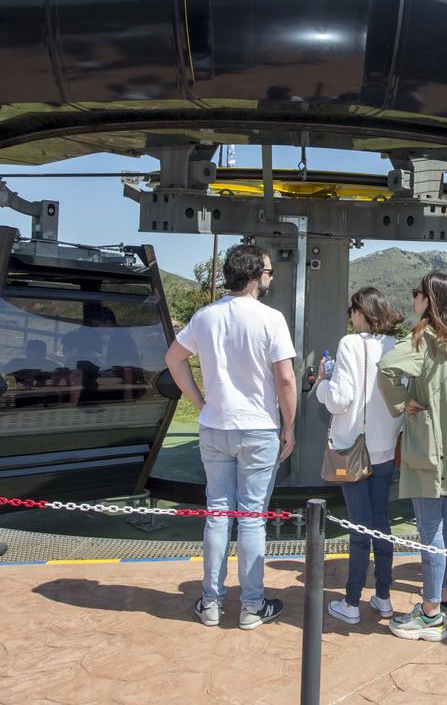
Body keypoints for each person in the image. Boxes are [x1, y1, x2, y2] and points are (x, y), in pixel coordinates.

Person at [165, 244, 296, 631]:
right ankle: (252, 606)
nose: (269, 279)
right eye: (268, 272)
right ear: (256, 277)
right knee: (252, 518)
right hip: (258, 428)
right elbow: (285, 378)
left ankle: (211, 601)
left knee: (217, 515)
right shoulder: (271, 319)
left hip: (215, 425)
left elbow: (173, 359)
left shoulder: (205, 317)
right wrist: (289, 426)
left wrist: (199, 400)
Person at [378, 272, 447, 642]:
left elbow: (386, 367)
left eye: (417, 293)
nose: (413, 299)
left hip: (429, 446)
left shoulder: (423, 338)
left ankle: (431, 610)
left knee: (430, 529)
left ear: (429, 300)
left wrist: (406, 403)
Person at [316, 287, 403, 625]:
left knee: (358, 526)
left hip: (352, 449)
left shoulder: (349, 344)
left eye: (352, 310)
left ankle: (351, 601)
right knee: (381, 524)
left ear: (361, 312)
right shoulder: (395, 346)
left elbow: (340, 400)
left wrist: (323, 382)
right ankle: (383, 596)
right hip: (384, 448)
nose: (350, 316)